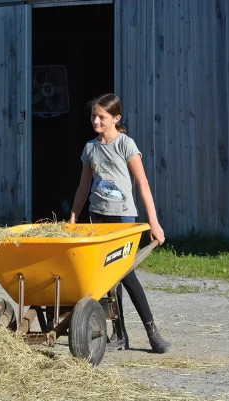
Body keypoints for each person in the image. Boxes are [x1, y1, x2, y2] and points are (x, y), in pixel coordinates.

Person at [69, 93, 171, 354]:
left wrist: (154, 223)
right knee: (106, 278)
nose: (96, 121)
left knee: (125, 273)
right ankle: (118, 335)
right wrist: (73, 216)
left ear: (116, 118)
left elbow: (144, 185)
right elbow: (83, 186)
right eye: (93, 115)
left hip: (123, 218)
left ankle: (152, 331)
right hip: (97, 217)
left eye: (101, 117)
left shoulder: (126, 144)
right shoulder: (90, 148)